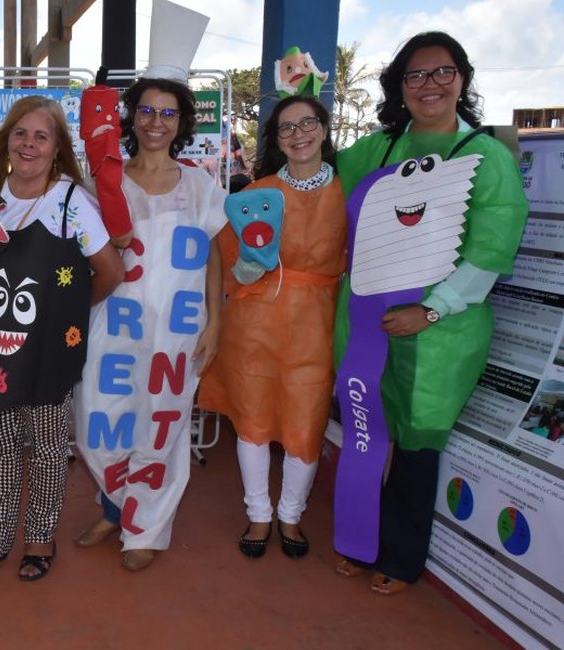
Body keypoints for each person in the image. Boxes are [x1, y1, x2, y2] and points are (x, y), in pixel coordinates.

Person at [332, 31, 528, 595]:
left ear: (462, 79)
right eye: (416, 75)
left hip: (441, 337)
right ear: (400, 87)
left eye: (442, 72)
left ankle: (398, 557)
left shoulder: (486, 156)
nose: (430, 85)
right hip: (366, 323)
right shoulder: (380, 149)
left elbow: (491, 250)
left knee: (416, 446)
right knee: (367, 434)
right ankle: (359, 540)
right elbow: (320, 187)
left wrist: (432, 310)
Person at [0, 96, 124, 582]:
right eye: (20, 134)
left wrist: (65, 314)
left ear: (56, 148)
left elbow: (110, 270)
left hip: (47, 353)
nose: (29, 144)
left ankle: (40, 537)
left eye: (41, 136)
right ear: (7, 141)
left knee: (48, 447)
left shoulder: (70, 203)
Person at [73, 76, 227, 571]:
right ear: (131, 116)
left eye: (167, 114)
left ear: (181, 123)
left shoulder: (201, 185)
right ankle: (117, 506)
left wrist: (216, 323)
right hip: (113, 323)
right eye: (146, 111)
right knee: (101, 423)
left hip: (178, 331)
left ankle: (146, 528)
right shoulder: (102, 183)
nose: (155, 122)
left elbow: (215, 259)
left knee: (162, 427)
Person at [198, 95, 345, 561]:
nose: (298, 134)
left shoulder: (350, 192)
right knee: (254, 420)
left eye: (308, 123)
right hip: (255, 324)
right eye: (286, 128)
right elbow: (223, 264)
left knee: (306, 423)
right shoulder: (253, 194)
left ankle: (292, 514)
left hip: (316, 325)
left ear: (324, 129)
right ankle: (259, 512)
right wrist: (246, 265)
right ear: (275, 139)